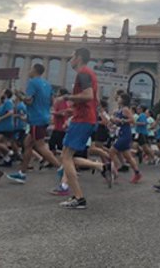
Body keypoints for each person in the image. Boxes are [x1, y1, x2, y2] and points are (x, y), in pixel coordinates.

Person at [58, 48, 110, 209]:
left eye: (72, 56)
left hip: (83, 120)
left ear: (79, 58)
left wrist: (67, 97)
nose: (70, 59)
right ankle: (101, 167)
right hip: (85, 118)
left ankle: (79, 198)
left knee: (66, 157)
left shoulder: (83, 74)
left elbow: (88, 96)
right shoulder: (89, 74)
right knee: (68, 157)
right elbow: (94, 100)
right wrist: (73, 109)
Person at [8, 63, 61, 183]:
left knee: (40, 146)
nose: (29, 71)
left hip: (36, 118)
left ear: (35, 70)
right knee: (28, 144)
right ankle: (22, 173)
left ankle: (61, 168)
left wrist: (19, 96)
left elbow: (29, 101)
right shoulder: (47, 84)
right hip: (44, 117)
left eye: (30, 68)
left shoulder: (32, 82)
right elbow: (52, 101)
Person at [109, 92, 142, 184]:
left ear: (123, 100)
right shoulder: (119, 110)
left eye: (119, 98)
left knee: (111, 151)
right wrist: (114, 121)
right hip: (121, 133)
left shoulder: (126, 109)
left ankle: (114, 171)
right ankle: (137, 173)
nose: (118, 99)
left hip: (125, 134)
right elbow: (117, 121)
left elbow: (132, 120)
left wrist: (121, 120)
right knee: (128, 156)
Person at [0, 90, 16, 167]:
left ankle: (10, 153)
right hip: (0, 126)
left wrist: (0, 118)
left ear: (5, 94)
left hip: (6, 126)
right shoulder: (3, 103)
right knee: (2, 143)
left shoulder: (8, 102)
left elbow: (10, 112)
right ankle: (7, 160)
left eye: (2, 92)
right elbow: (2, 113)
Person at [49, 88, 71, 155]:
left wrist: (53, 112)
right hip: (59, 126)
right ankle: (54, 159)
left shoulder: (62, 102)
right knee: (54, 143)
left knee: (55, 144)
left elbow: (63, 113)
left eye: (58, 92)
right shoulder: (63, 102)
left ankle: (61, 160)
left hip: (60, 127)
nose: (57, 94)